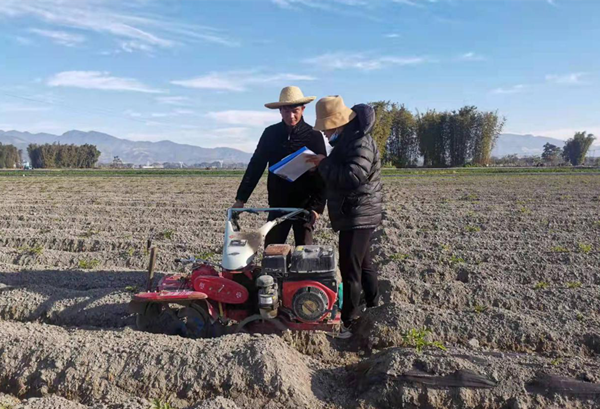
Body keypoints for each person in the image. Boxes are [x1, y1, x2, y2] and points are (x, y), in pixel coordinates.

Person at [306, 96, 383, 336]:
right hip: (356, 212)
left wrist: (324, 165)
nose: (327, 136)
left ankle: (348, 322)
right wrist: (322, 166)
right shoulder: (349, 141)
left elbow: (352, 176)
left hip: (358, 213)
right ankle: (374, 308)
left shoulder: (360, 142)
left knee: (350, 268)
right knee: (364, 264)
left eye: (328, 131)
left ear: (338, 125)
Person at [233, 86, 327, 246]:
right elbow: (256, 166)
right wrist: (241, 198)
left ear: (303, 109)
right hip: (278, 203)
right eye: (285, 111)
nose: (290, 115)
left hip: (304, 205)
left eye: (295, 110)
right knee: (272, 249)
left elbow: (323, 174)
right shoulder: (270, 134)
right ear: (280, 111)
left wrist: (317, 207)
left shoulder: (314, 135)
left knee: (305, 253)